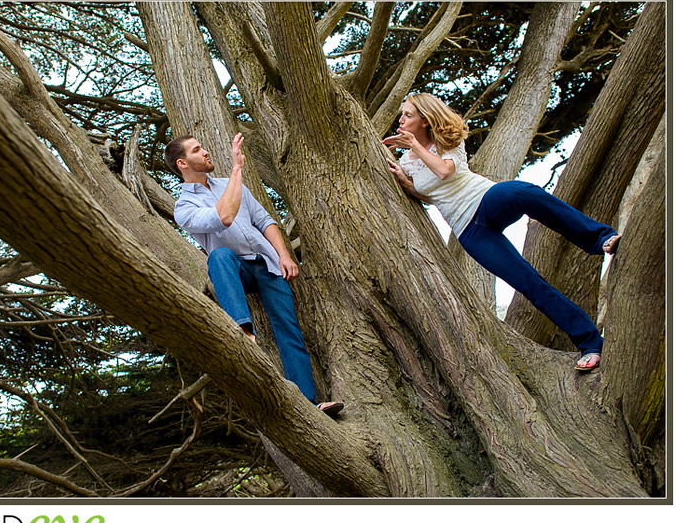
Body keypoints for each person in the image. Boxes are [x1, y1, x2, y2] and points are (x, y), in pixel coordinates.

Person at [383, 93, 621, 371]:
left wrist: (415, 146)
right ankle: (591, 343)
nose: (401, 120)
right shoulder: (407, 160)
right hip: (469, 231)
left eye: (408, 115)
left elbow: (445, 172)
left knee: (523, 191)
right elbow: (430, 194)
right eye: (402, 114)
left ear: (425, 120)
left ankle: (600, 238)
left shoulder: (449, 139)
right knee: (527, 282)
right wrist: (405, 180)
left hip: (486, 200)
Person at [166, 132, 344, 415]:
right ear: (182, 163)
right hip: (237, 269)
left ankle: (310, 404)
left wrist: (284, 255)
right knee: (219, 255)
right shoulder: (184, 207)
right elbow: (223, 217)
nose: (206, 152)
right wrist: (237, 168)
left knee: (289, 330)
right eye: (197, 150)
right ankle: (242, 331)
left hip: (268, 264)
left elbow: (264, 221)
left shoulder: (228, 184)